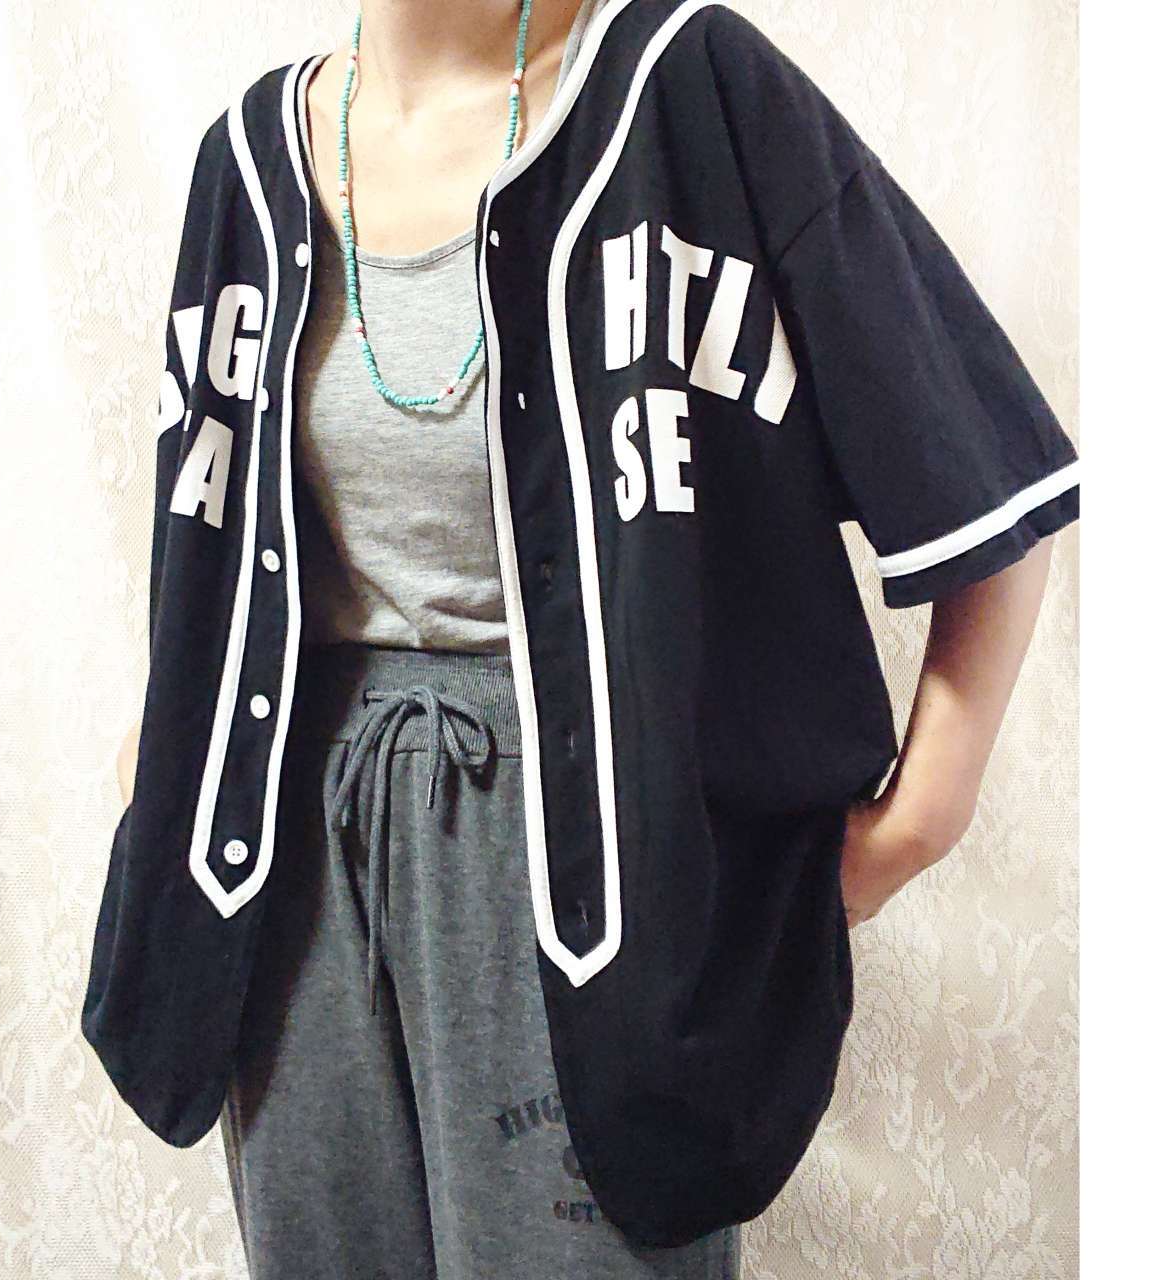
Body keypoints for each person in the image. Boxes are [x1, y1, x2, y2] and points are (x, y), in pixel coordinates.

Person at [86, 2, 1080, 1277]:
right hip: (296, 868)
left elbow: (979, 461)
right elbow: (221, 538)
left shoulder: (681, 86)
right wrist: (159, 762)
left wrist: (918, 817)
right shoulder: (244, 159)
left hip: (596, 850)